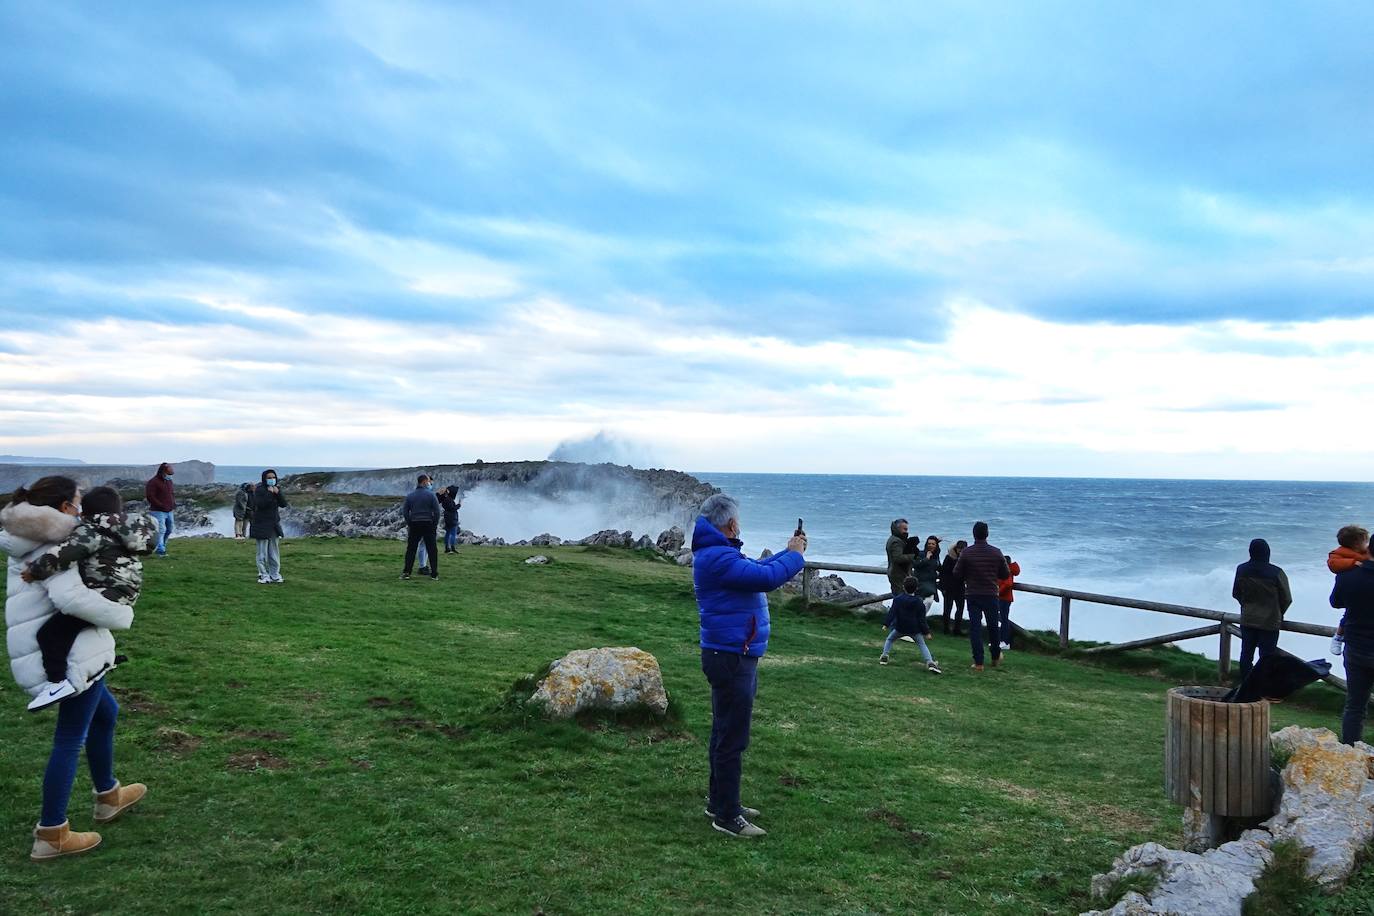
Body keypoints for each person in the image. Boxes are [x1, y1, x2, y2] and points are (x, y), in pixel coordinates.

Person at [1, 476, 147, 861]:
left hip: (49, 644)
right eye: (78, 502)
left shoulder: (27, 537)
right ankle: (52, 833)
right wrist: (121, 612)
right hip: (71, 653)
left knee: (105, 715)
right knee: (70, 737)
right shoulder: (53, 543)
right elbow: (70, 598)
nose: (81, 509)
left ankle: (109, 795)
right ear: (64, 506)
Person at [693, 493, 805, 839]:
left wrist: (789, 553)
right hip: (730, 656)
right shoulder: (718, 558)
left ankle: (721, 801)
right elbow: (766, 579)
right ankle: (727, 816)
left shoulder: (718, 554)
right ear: (731, 524)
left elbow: (759, 570)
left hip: (730, 653)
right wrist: (797, 555)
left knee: (724, 732)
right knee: (731, 737)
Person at [20, 487, 156, 710]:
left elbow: (65, 554)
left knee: (50, 634)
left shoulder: (92, 530)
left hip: (103, 595)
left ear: (85, 513)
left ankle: (56, 683)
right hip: (126, 592)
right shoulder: (128, 530)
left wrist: (34, 571)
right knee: (76, 632)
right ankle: (103, 663)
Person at [1330, 550, 1374, 745]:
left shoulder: (1347, 577)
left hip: (1356, 648)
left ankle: (1350, 753)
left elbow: (1335, 602)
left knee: (1355, 706)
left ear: (1368, 551)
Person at [1232, 538, 1292, 680]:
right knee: (1266, 658)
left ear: (1250, 552)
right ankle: (1262, 689)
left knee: (1246, 655)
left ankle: (1246, 686)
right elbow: (1287, 598)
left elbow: (1236, 593)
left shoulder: (1241, 569)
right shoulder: (1276, 572)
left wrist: (1246, 606)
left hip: (1248, 619)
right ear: (1268, 553)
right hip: (1270, 622)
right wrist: (1279, 613)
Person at [953, 521, 1009, 671]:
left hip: (973, 594)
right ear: (987, 534)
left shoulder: (966, 552)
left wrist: (969, 575)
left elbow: (957, 573)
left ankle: (978, 663)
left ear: (973, 534)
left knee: (975, 628)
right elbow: (1005, 573)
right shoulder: (996, 552)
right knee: (993, 628)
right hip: (991, 594)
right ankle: (996, 658)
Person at [880, 576, 942, 674]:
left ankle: (884, 655)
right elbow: (922, 619)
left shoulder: (898, 599)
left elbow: (892, 612)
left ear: (903, 587)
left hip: (900, 627)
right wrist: (927, 632)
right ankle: (930, 662)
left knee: (890, 639)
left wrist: (886, 624)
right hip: (914, 629)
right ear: (917, 588)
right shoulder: (919, 602)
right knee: (922, 645)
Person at [1327, 525, 1370, 655]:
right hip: (1353, 590)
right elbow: (1333, 564)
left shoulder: (1364, 553)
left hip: (1357, 591)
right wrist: (1352, 563)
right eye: (1365, 541)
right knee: (1348, 615)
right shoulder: (1340, 555)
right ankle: (1338, 637)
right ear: (1357, 544)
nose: (1367, 544)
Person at [250, 469, 288, 584]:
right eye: (269, 478)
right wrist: (270, 494)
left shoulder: (277, 489)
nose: (272, 480)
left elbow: (283, 504)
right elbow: (261, 504)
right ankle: (263, 574)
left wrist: (277, 493)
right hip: (261, 524)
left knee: (274, 551)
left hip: (273, 525)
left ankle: (275, 574)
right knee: (262, 552)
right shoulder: (260, 490)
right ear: (264, 478)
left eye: (273, 477)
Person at [402, 474, 441, 581]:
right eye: (428, 481)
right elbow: (437, 512)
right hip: (428, 524)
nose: (430, 483)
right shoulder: (431, 495)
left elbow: (405, 511)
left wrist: (410, 522)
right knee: (432, 549)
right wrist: (434, 524)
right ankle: (434, 574)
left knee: (411, 549)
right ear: (424, 482)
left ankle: (407, 572)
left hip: (414, 524)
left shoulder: (410, 496)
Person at [143, 462, 175, 557]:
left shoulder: (169, 481)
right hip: (158, 511)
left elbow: (171, 494)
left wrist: (173, 503)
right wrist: (160, 505)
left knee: (169, 529)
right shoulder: (154, 482)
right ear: (165, 470)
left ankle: (161, 546)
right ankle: (161, 550)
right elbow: (150, 496)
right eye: (170, 468)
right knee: (161, 530)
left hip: (169, 510)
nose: (172, 470)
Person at [940, 540, 968, 635]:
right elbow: (943, 573)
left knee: (960, 608)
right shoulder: (949, 558)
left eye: (963, 549)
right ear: (956, 549)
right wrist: (943, 587)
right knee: (948, 609)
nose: (961, 551)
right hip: (949, 587)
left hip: (960, 587)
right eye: (960, 549)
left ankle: (957, 629)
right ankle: (946, 628)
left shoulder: (965, 560)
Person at [996, 554, 1021, 651]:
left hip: (1004, 599)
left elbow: (1008, 584)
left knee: (1004, 620)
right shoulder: (1006, 570)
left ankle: (1005, 642)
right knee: (1002, 619)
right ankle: (1001, 640)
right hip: (1003, 598)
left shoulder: (1007, 571)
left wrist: (998, 592)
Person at [885, 518, 914, 599]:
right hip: (898, 574)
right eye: (904, 529)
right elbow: (898, 558)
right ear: (898, 528)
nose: (906, 532)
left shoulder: (895, 539)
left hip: (897, 573)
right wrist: (912, 556)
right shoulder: (896, 541)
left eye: (907, 529)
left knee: (899, 597)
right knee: (901, 598)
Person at [439, 485, 462, 554]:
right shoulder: (449, 500)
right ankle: (452, 548)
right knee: (453, 533)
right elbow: (452, 508)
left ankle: (447, 548)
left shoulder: (445, 499)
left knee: (448, 533)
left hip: (447, 517)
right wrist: (459, 505)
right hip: (452, 518)